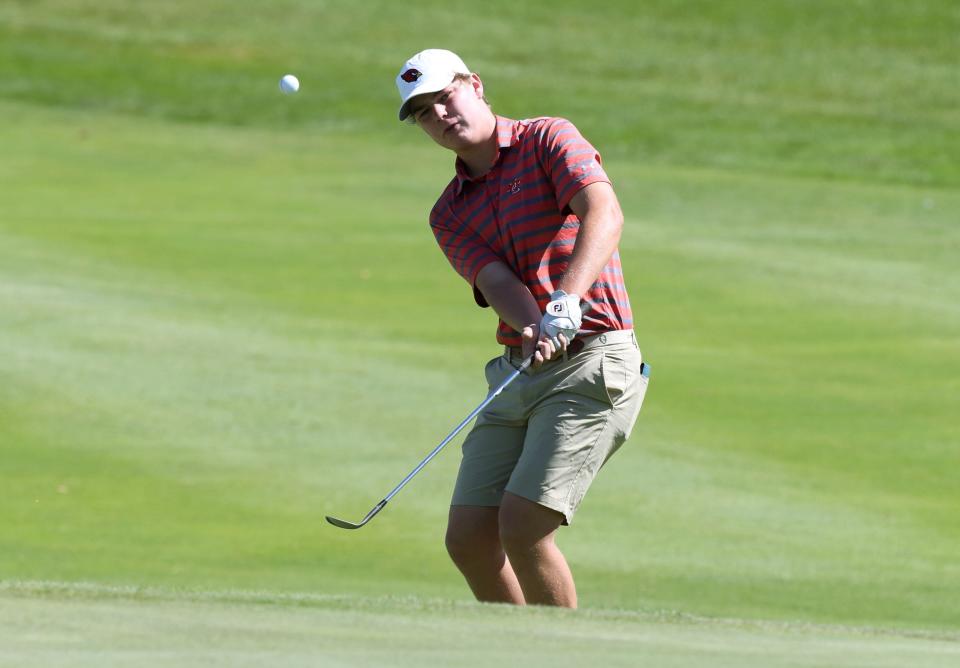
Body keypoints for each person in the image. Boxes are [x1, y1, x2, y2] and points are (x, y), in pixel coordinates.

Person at [395, 49, 649, 608]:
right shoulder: (449, 212)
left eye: (446, 97)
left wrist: (566, 302)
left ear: (475, 85)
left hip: (593, 361)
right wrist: (536, 326)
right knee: (468, 539)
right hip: (520, 370)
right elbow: (498, 281)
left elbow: (604, 212)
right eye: (424, 113)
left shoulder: (548, 139)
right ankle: (512, 646)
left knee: (524, 525)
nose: (441, 115)